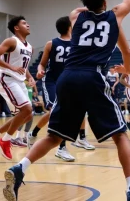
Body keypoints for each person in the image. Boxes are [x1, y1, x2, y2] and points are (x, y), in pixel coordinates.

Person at [4, 0, 130, 201]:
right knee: (120, 134)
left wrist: (86, 6)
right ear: (105, 2)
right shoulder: (114, 17)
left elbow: (79, 9)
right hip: (92, 76)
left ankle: (20, 168)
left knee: (55, 135)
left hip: (67, 78)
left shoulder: (76, 19)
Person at [27, 16, 94, 163]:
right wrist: (39, 71)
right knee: (56, 111)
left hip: (69, 82)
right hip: (51, 81)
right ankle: (61, 147)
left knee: (67, 112)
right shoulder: (51, 43)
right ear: (70, 27)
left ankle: (34, 133)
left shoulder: (78, 44)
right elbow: (42, 64)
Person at [0, 16, 35, 160]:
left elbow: (23, 66)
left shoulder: (29, 47)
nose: (28, 24)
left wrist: (29, 76)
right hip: (7, 79)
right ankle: (5, 141)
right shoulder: (11, 41)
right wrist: (11, 67)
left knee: (27, 115)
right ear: (16, 28)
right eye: (24, 23)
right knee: (26, 110)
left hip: (20, 81)